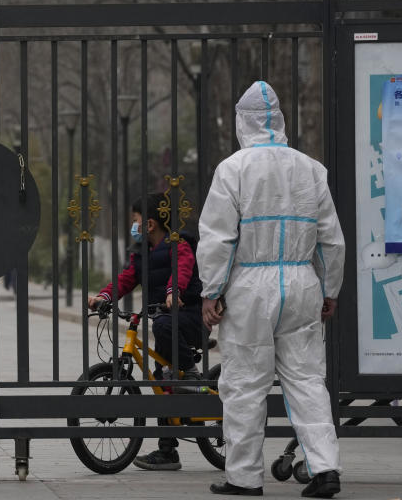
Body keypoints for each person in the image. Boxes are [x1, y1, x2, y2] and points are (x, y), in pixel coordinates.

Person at [198, 82, 345, 498]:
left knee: (245, 382)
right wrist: (329, 287)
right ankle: (325, 468)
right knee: (306, 379)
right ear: (279, 121)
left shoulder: (233, 169)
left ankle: (243, 477)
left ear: (244, 122)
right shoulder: (311, 168)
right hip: (302, 284)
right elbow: (331, 238)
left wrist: (213, 291)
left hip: (249, 288)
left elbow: (218, 238)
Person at [88, 192, 205, 472]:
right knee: (160, 382)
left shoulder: (180, 246)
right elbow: (126, 279)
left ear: (150, 224)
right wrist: (104, 296)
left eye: (136, 220)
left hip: (188, 315)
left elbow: (183, 270)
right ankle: (167, 453)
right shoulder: (141, 253)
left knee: (164, 329)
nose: (134, 225)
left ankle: (190, 375)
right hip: (165, 322)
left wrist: (173, 291)